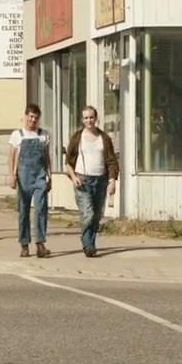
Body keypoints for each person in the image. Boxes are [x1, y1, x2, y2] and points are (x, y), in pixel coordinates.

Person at [64, 106, 119, 258]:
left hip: (100, 180)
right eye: (86, 118)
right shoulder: (77, 138)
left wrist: (112, 181)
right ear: (82, 120)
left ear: (96, 118)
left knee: (96, 216)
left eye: (91, 117)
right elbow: (68, 162)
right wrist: (73, 177)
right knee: (88, 214)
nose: (89, 120)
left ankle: (90, 242)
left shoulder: (104, 138)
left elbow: (111, 161)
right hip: (83, 180)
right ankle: (88, 244)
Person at [9, 103, 52, 258]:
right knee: (23, 211)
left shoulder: (43, 135)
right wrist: (12, 175)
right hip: (23, 177)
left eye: (36, 118)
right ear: (26, 116)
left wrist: (50, 176)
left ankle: (40, 244)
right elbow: (12, 156)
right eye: (31, 117)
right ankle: (24, 245)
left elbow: (47, 157)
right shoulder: (17, 135)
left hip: (40, 176)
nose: (33, 120)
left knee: (41, 210)